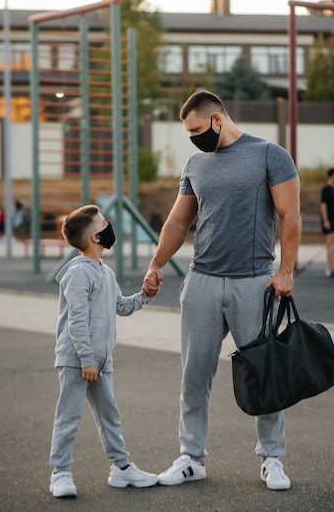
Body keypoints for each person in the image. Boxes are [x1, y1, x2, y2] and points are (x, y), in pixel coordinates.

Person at [143, 90, 301, 491]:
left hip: (254, 281)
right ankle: (190, 458)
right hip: (202, 281)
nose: (193, 138)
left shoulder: (270, 154)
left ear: (217, 119)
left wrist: (285, 271)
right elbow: (179, 222)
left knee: (262, 375)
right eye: (188, 132)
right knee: (194, 375)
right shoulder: (196, 163)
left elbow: (290, 215)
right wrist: (157, 264)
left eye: (196, 129)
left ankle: (272, 459)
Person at [49, 204, 159, 498]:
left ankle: (121, 469)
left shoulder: (105, 273)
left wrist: (145, 296)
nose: (109, 226)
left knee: (110, 415)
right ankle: (60, 472)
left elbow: (120, 307)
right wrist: (86, 360)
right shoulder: (77, 274)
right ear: (96, 238)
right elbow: (77, 321)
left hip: (100, 360)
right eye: (104, 224)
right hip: (77, 361)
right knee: (69, 417)